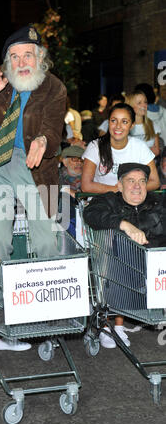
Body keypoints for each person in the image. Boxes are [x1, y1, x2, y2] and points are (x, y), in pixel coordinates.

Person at [0, 25, 67, 351]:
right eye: (15, 55)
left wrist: (42, 141)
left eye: (28, 54)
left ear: (40, 58)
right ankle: (5, 307)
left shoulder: (54, 88)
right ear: (7, 61)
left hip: (40, 171)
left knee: (46, 240)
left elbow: (54, 130)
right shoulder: (3, 84)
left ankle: (47, 308)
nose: (22, 61)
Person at [83, 162, 166, 348]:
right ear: (120, 185)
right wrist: (124, 224)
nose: (137, 186)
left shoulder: (157, 204)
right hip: (121, 271)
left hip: (156, 272)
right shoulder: (109, 201)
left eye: (142, 181)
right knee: (117, 247)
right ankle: (110, 325)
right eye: (131, 181)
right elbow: (91, 214)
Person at [81, 102, 160, 193]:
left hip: (132, 202)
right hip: (101, 202)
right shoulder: (95, 146)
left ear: (132, 125)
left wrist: (128, 190)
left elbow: (155, 182)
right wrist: (117, 189)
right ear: (108, 122)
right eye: (114, 121)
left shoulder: (140, 147)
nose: (118, 126)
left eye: (124, 122)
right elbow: (86, 186)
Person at [58, 145, 84, 238]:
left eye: (81, 160)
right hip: (64, 223)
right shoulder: (56, 176)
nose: (79, 163)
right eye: (74, 159)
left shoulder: (89, 178)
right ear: (65, 162)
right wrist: (66, 190)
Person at [125, 91, 161, 157]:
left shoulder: (153, 125)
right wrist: (149, 150)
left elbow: (156, 151)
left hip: (149, 165)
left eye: (145, 102)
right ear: (130, 106)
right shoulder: (125, 126)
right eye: (139, 103)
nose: (144, 105)